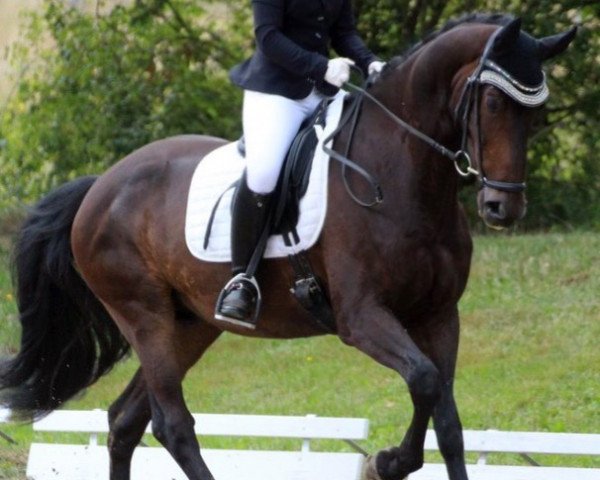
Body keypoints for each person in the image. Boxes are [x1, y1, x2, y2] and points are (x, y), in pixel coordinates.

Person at [215, 0, 384, 328]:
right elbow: (268, 37)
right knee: (264, 174)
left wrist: (371, 62)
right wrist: (320, 66)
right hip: (277, 93)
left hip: (325, 93)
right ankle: (241, 280)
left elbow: (344, 33)